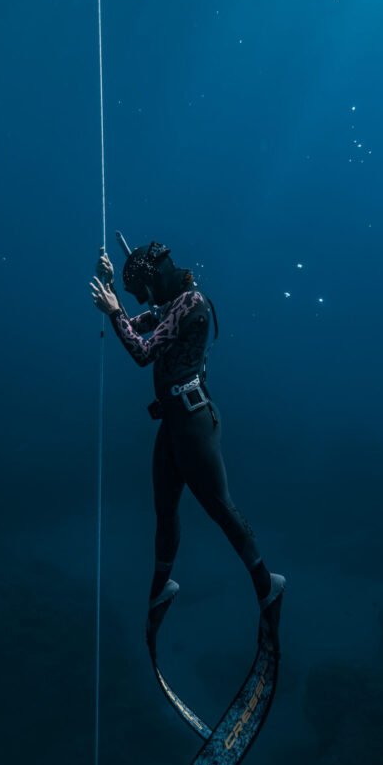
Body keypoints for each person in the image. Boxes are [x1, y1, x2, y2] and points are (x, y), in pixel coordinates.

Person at [89, 240, 285, 617]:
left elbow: (142, 353)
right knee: (165, 508)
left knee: (219, 506)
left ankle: (267, 584)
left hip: (194, 420)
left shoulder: (191, 304)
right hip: (175, 421)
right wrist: (112, 290)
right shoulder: (171, 306)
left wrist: (114, 311)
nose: (145, 297)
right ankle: (161, 586)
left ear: (155, 280)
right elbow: (131, 326)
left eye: (144, 290)